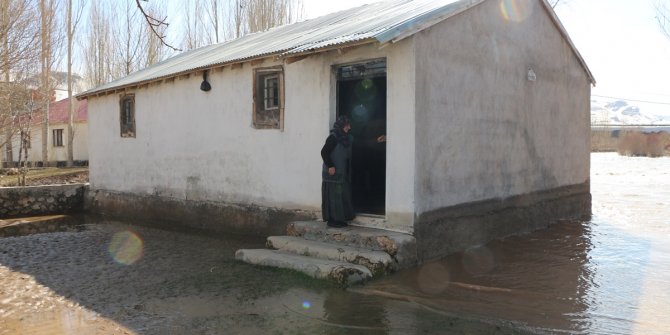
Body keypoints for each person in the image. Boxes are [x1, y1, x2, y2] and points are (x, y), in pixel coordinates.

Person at [321, 116, 355, 228]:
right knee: (333, 197)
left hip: (341, 172)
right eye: (347, 125)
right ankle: (333, 220)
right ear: (341, 126)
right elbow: (324, 152)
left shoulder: (346, 138)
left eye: (349, 125)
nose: (349, 127)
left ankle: (341, 218)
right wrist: (330, 166)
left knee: (342, 196)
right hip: (333, 173)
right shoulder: (333, 138)